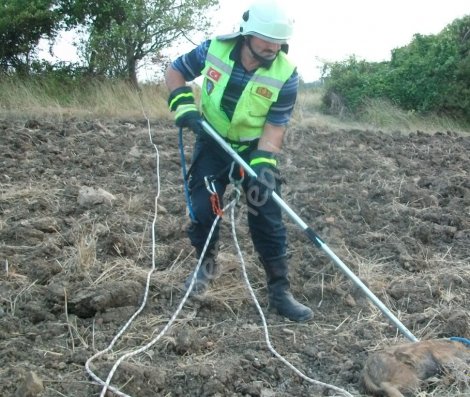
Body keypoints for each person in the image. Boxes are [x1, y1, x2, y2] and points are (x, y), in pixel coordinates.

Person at [164, 0, 313, 322]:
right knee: (206, 209)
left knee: (267, 213)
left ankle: (279, 290)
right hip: (213, 142)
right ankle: (205, 269)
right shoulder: (213, 49)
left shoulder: (286, 74)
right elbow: (176, 71)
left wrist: (263, 165)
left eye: (279, 41)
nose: (273, 46)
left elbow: (275, 126)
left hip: (251, 149)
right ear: (247, 34)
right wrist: (184, 104)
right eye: (265, 40)